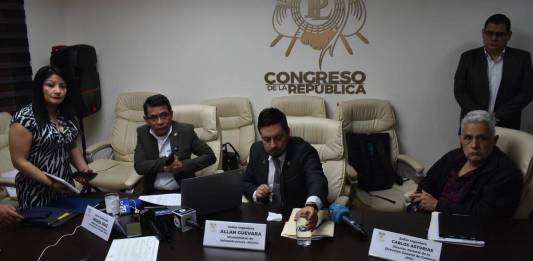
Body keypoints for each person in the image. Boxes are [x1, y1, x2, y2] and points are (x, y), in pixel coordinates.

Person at [9, 65, 93, 211]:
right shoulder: (24, 119)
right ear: (39, 87)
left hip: (65, 187)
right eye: (50, 85)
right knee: (43, 233)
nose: (58, 91)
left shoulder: (66, 115)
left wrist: (83, 169)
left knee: (69, 229)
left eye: (63, 86)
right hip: (35, 191)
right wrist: (50, 183)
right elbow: (19, 161)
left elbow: (71, 145)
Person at [410, 110, 522, 217]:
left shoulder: (507, 173)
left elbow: (488, 215)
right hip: (428, 218)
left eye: (482, 138)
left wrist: (437, 205)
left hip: (465, 230)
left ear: (494, 140)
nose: (474, 145)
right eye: (468, 137)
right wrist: (421, 198)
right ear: (461, 139)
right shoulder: (454, 156)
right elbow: (429, 180)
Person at [242, 107, 328, 230]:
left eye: (278, 138)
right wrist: (257, 193)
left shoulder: (303, 150)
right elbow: (246, 182)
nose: (273, 145)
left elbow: (317, 179)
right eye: (266, 139)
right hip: (266, 218)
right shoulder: (256, 150)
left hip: (298, 218)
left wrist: (311, 205)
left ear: (288, 132)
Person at [454, 14, 533, 130]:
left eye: (500, 34)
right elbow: (460, 90)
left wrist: (499, 115)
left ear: (509, 36)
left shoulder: (522, 58)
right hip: (472, 126)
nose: (494, 38)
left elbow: (528, 91)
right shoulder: (468, 58)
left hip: (507, 125)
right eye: (489, 33)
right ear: (483, 33)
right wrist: (480, 115)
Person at [134, 94, 216, 194]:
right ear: (146, 120)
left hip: (182, 191)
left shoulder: (185, 131)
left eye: (164, 115)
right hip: (152, 192)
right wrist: (166, 164)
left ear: (171, 114)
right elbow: (139, 166)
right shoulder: (143, 133)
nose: (160, 122)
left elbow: (210, 156)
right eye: (153, 118)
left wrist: (182, 165)